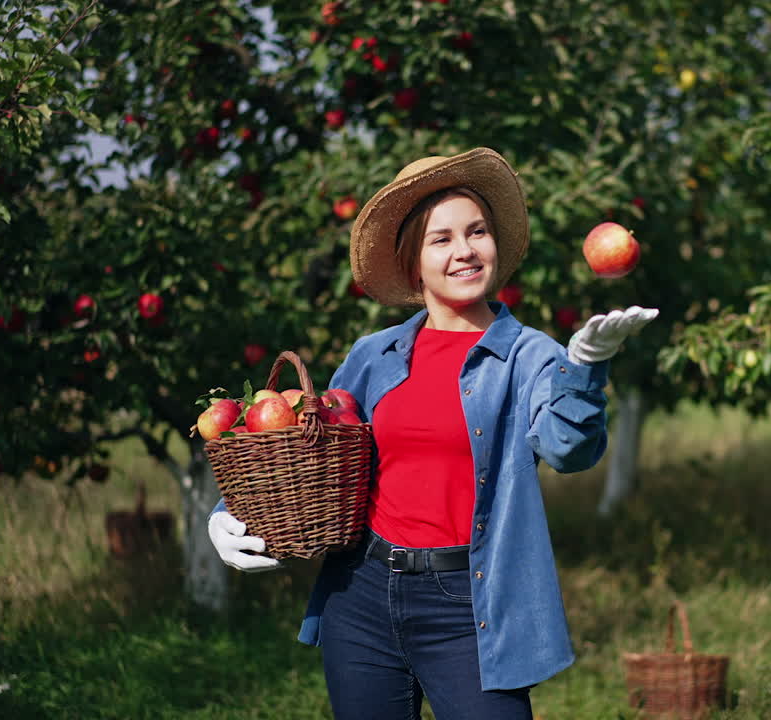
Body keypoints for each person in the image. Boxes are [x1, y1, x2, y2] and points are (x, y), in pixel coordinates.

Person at [207, 147, 658, 719]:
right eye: (441, 239)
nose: (465, 251)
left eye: (477, 232)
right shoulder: (375, 355)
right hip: (362, 595)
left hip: (470, 604)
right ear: (413, 261)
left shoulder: (529, 355)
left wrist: (585, 370)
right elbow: (305, 447)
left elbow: (568, 450)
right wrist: (232, 512)